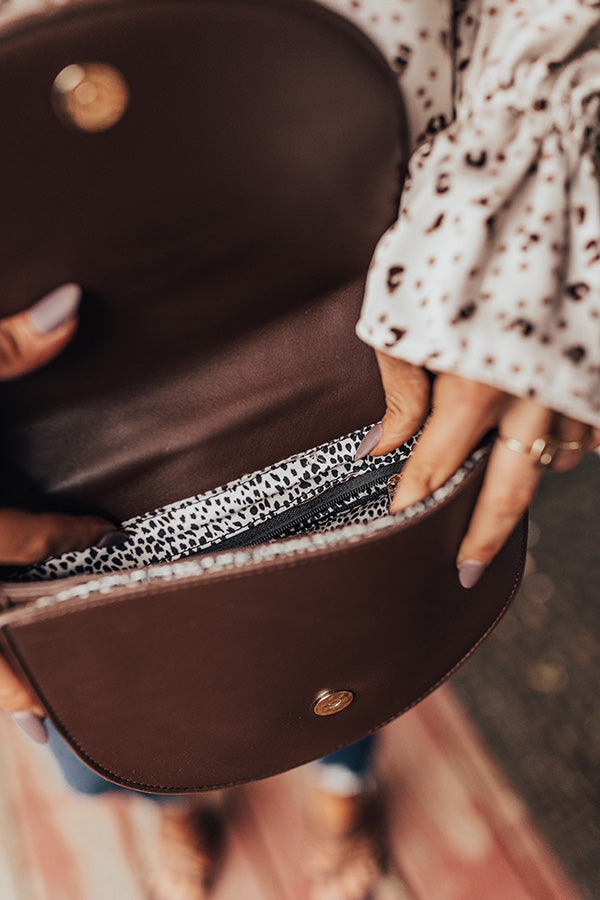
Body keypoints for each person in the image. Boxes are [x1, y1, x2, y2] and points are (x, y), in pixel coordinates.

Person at [1, 1, 600, 899]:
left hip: (377, 390)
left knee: (349, 649)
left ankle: (339, 791)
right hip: (52, 513)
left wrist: (537, 204)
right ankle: (181, 801)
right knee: (137, 724)